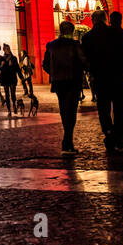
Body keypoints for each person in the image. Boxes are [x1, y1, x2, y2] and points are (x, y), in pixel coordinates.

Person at [43, 21, 88, 155]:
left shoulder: (51, 46)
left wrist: (54, 73)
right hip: (73, 81)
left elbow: (45, 64)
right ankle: (67, 141)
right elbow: (84, 62)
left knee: (64, 110)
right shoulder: (75, 45)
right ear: (72, 31)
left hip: (58, 82)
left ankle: (67, 141)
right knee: (72, 111)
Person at [79, 11, 118, 149]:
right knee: (117, 105)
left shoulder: (87, 37)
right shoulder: (114, 33)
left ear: (93, 20)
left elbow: (84, 58)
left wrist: (90, 71)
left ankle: (108, 131)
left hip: (99, 76)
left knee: (103, 106)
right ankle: (118, 132)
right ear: (105, 19)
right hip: (115, 75)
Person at [0, 44, 20, 115]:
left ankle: (14, 106)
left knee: (13, 94)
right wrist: (1, 65)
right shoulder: (2, 59)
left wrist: (22, 77)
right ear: (4, 50)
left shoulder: (14, 58)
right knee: (7, 94)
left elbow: (17, 69)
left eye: (8, 49)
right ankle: (9, 110)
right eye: (6, 49)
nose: (7, 50)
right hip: (5, 78)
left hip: (12, 78)